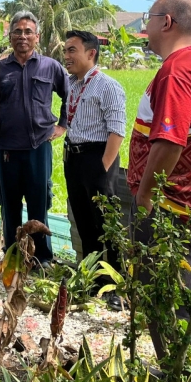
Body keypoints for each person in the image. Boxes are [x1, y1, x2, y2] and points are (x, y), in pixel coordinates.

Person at [127, 0, 191, 372]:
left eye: (149, 19)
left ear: (167, 22)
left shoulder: (178, 70)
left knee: (168, 298)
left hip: (174, 210)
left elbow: (170, 142)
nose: (146, 28)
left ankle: (181, 380)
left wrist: (145, 195)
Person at [0, 11, 67, 266]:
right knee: (9, 204)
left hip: (38, 147)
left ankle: (41, 258)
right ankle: (13, 256)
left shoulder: (50, 67)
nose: (22, 36)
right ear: (10, 36)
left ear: (37, 37)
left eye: (28, 32)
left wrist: (63, 125)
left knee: (39, 203)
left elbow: (70, 94)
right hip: (7, 149)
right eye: (17, 32)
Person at [61, 30, 127, 310]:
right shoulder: (72, 84)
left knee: (105, 224)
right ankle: (92, 281)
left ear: (91, 53)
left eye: (72, 50)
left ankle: (117, 287)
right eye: (65, 50)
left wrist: (103, 168)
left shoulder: (107, 86)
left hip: (97, 159)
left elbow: (117, 130)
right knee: (84, 222)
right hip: (74, 159)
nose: (66, 56)